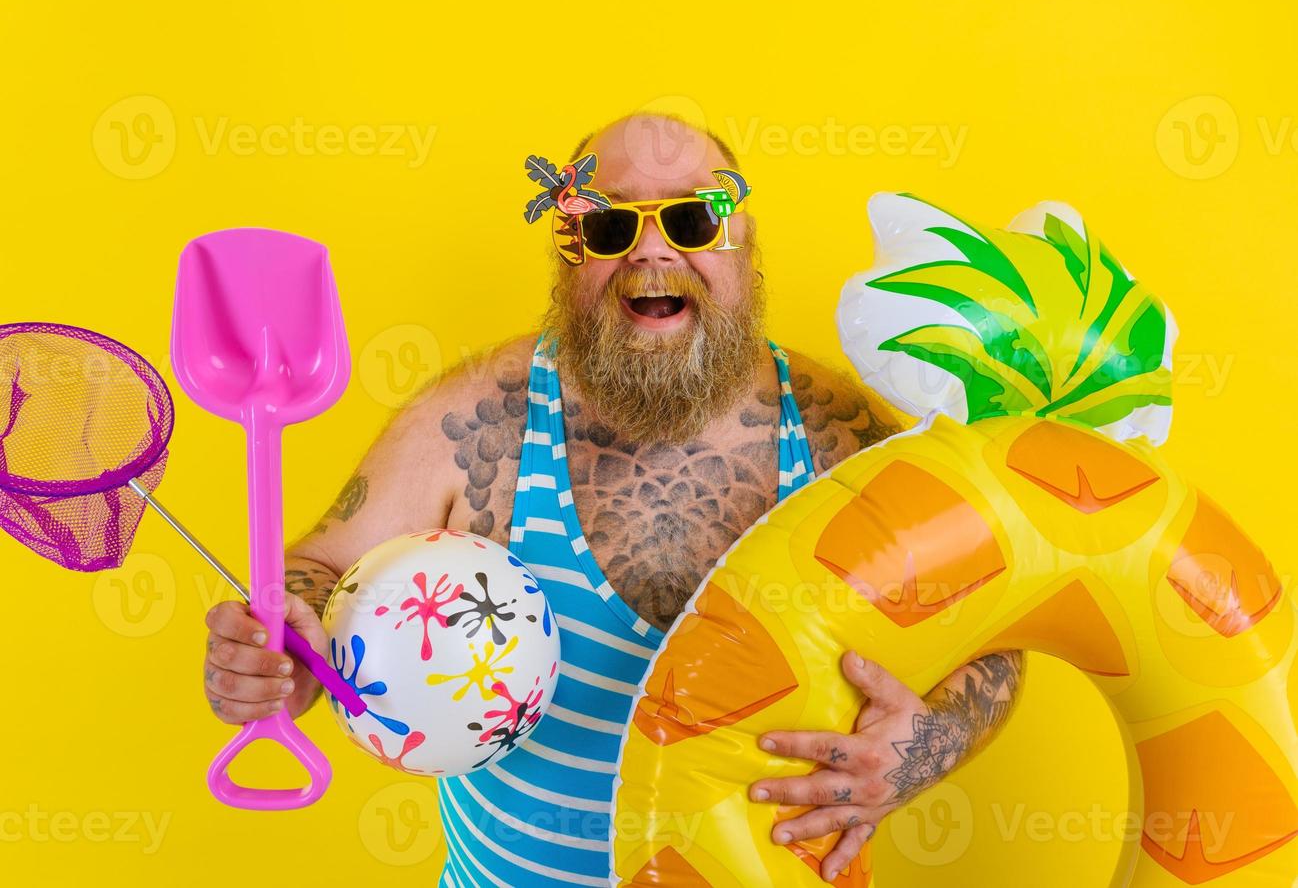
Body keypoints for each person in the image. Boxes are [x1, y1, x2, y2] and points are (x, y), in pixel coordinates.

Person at [201, 113, 1024, 885]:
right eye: (609, 225)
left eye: (693, 220)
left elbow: (998, 626)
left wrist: (931, 743)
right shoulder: (479, 422)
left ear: (744, 250)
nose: (653, 251)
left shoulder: (841, 438)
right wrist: (283, 649)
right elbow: (319, 570)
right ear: (572, 262)